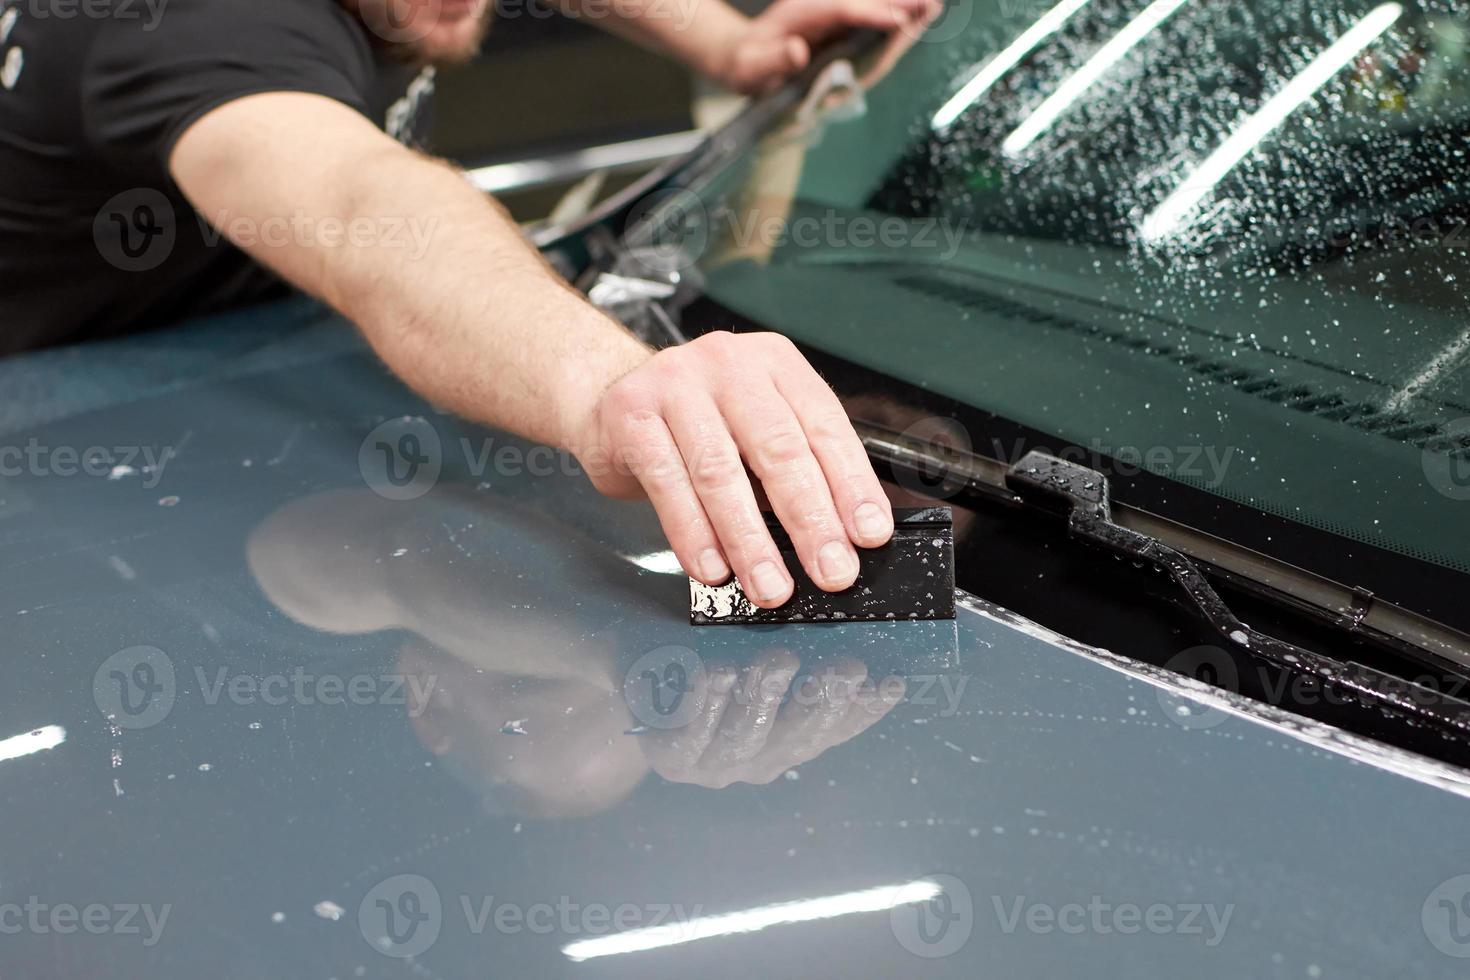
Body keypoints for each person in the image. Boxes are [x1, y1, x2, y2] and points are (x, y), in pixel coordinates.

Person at [0, 0, 939, 608]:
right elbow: (359, 207)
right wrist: (616, 387)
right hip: (60, 436)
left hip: (263, 347)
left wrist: (728, 40)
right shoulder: (190, 25)